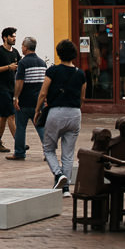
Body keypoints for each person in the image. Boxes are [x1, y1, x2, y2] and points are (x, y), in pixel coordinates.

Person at [34, 39, 86, 195]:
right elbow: (82, 98)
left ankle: (58, 174)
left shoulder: (53, 71)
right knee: (68, 153)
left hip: (56, 112)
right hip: (75, 113)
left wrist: (38, 110)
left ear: (59, 53)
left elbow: (43, 93)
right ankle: (65, 189)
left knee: (48, 149)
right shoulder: (81, 73)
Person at [0, 26, 21, 153]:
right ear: (5, 38)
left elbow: (20, 66)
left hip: (11, 86)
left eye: (15, 37)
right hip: (1, 87)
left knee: (3, 116)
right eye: (12, 36)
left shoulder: (15, 52)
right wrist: (8, 67)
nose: (14, 38)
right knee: (11, 114)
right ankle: (19, 142)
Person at [13, 36, 46, 161]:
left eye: (22, 45)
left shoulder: (23, 63)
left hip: (24, 101)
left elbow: (20, 82)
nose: (21, 47)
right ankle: (48, 152)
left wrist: (16, 98)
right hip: (38, 101)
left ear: (25, 48)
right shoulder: (42, 63)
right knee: (41, 127)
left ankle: (19, 152)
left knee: (20, 127)